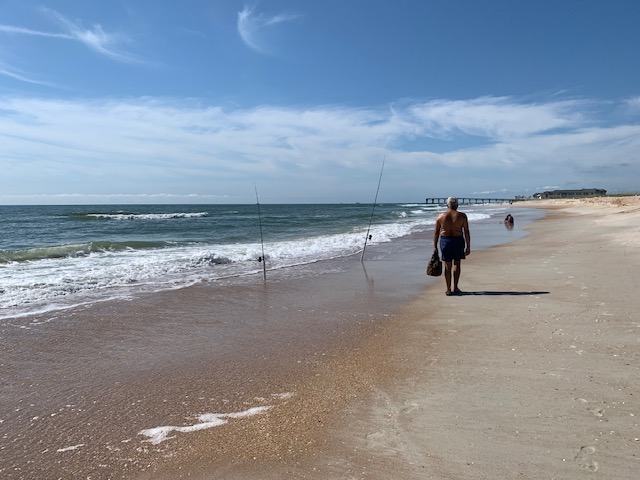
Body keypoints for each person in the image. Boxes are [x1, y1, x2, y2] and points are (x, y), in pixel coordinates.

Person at [433, 196, 471, 296]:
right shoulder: (462, 216)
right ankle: (456, 287)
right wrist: (468, 246)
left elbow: (436, 233)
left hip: (445, 241)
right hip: (458, 240)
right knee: (457, 264)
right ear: (457, 205)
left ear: (447, 205)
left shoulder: (440, 216)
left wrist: (435, 247)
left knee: (447, 265)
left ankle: (448, 289)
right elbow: (466, 232)